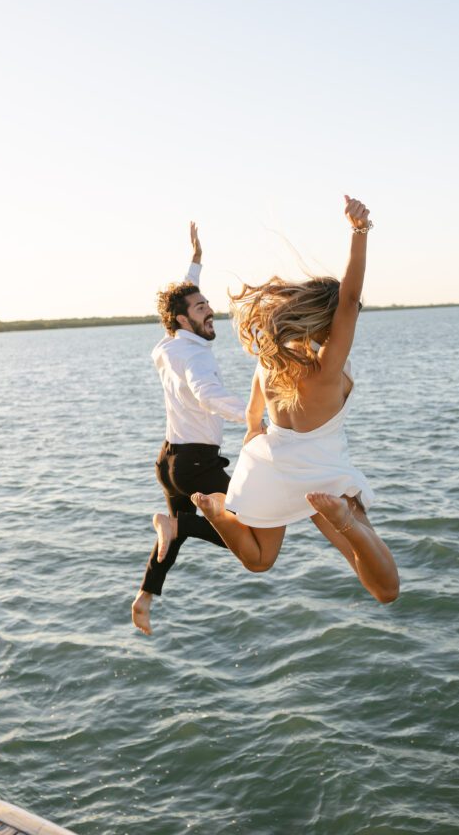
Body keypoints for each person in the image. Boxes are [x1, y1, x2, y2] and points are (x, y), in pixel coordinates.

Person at [192, 196, 400, 604]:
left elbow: (253, 418)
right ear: (331, 318)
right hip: (322, 474)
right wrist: (359, 232)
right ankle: (346, 522)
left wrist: (253, 437)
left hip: (269, 462)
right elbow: (351, 299)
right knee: (385, 589)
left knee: (259, 560)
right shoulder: (325, 369)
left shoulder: (271, 362)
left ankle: (218, 513)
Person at [131, 222, 248, 634]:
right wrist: (257, 419)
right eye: (201, 309)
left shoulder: (169, 343)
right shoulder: (195, 357)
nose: (209, 310)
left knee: (174, 534)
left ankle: (145, 596)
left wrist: (195, 263)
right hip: (195, 462)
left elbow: (182, 299)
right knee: (246, 528)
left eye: (206, 304)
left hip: (169, 461)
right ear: (183, 320)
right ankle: (176, 524)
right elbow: (208, 396)